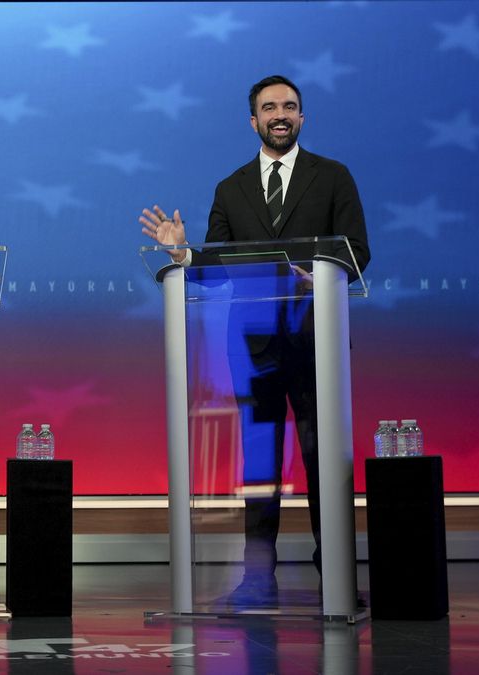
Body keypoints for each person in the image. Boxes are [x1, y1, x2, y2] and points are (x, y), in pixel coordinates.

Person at [140, 75, 370, 607]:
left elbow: (357, 251)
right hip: (253, 348)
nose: (280, 114)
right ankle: (258, 580)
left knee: (323, 461)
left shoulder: (333, 177)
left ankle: (335, 576)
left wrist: (321, 273)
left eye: (290, 106)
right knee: (260, 466)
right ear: (254, 121)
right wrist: (184, 255)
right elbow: (217, 265)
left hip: (318, 343)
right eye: (269, 108)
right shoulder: (232, 187)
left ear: (302, 118)